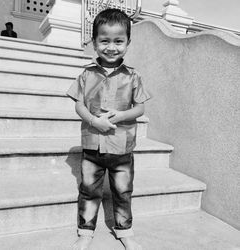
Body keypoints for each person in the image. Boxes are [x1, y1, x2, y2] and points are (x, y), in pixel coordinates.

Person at [67, 8, 150, 250]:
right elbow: (79, 105)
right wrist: (94, 121)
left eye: (118, 41)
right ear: (94, 43)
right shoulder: (86, 74)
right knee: (89, 190)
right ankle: (85, 231)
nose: (111, 47)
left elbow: (140, 108)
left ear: (127, 43)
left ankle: (124, 231)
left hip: (121, 147)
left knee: (122, 191)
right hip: (93, 146)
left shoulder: (133, 76)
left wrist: (123, 114)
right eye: (104, 41)